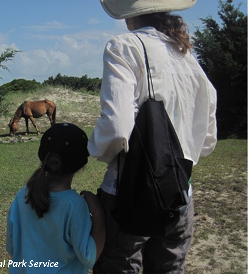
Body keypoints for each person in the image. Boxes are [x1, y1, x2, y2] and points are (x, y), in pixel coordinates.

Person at [88, 0, 218, 272]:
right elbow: (207, 138)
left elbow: (116, 127)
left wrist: (95, 150)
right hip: (181, 194)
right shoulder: (186, 54)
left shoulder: (124, 47)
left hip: (127, 193)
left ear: (128, 14)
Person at [6, 123, 106, 273]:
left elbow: (11, 246)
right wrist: (99, 216)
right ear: (81, 164)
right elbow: (89, 258)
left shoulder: (23, 195)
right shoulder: (74, 205)